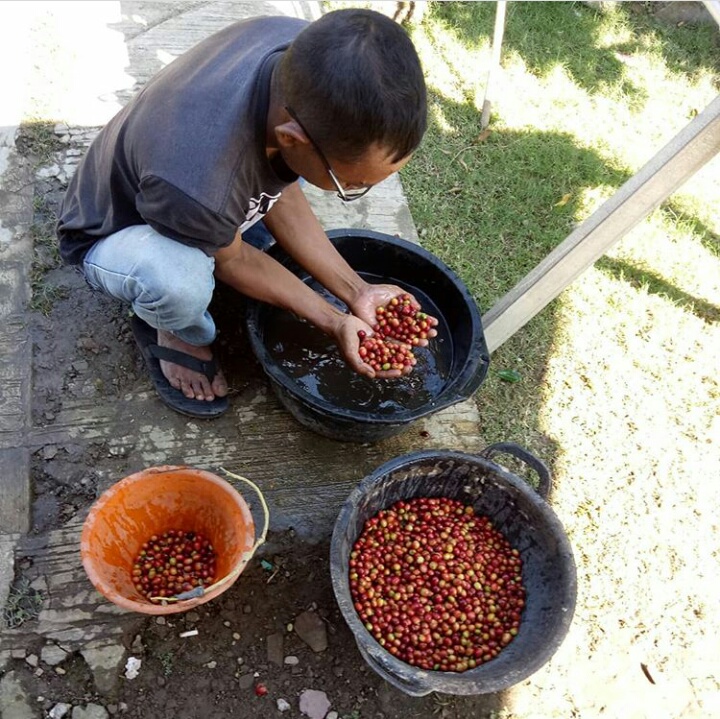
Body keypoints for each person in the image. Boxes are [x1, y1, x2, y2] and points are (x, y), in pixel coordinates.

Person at [56, 8, 429, 419]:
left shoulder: (307, 57)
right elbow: (234, 261)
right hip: (111, 229)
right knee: (181, 281)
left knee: (272, 188)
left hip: (189, 185)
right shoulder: (199, 184)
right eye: (352, 185)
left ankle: (219, 232)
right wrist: (334, 321)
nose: (359, 191)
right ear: (292, 139)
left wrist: (359, 292)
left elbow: (278, 185)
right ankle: (173, 330)